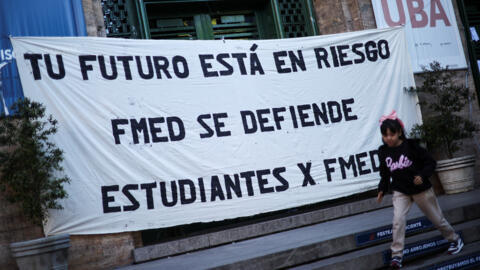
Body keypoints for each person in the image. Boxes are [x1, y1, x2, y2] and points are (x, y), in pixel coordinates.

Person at [376, 110, 463, 269]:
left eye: (391, 134)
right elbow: (384, 172)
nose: (388, 138)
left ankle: (455, 239)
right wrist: (382, 188)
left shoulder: (412, 147)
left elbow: (430, 163)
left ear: (400, 132)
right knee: (397, 221)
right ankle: (396, 256)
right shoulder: (383, 151)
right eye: (385, 135)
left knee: (436, 218)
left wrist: (422, 175)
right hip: (400, 190)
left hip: (420, 190)